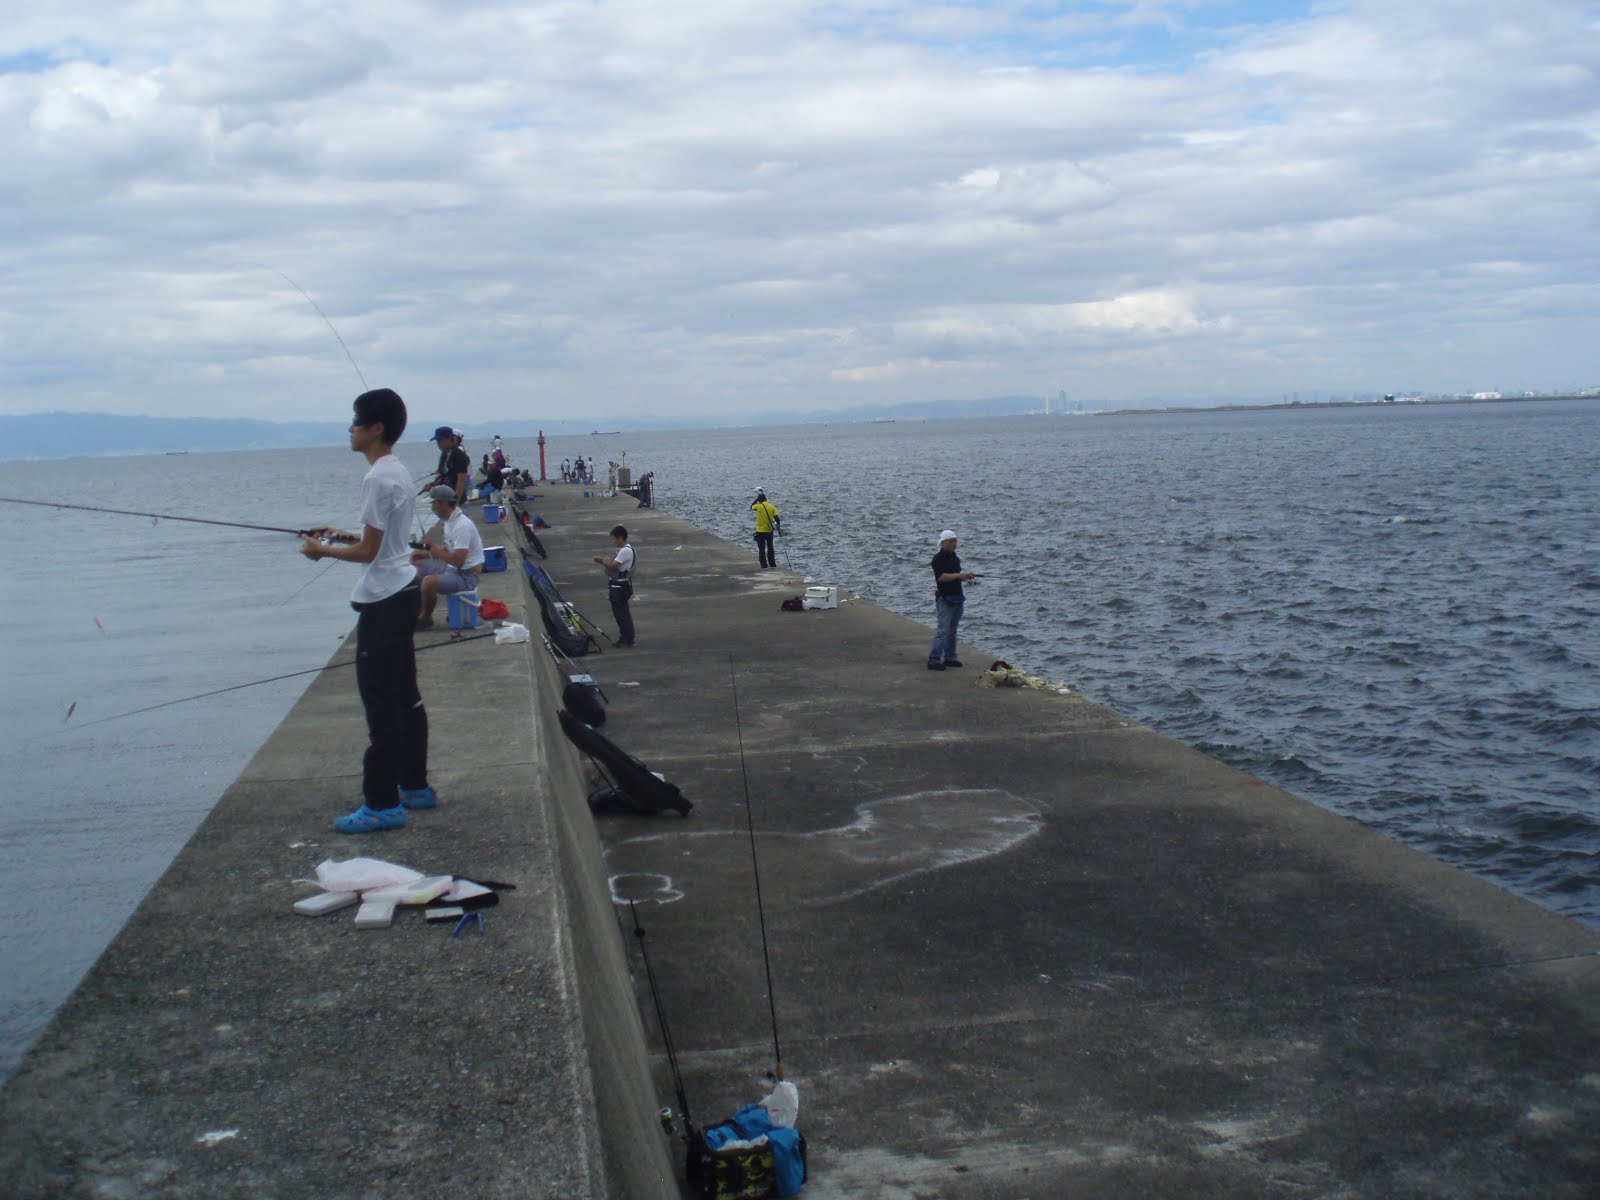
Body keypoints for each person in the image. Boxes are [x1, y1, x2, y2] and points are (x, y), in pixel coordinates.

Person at [300, 388, 436, 831]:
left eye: (356, 422)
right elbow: (386, 543)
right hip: (402, 592)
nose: (350, 429)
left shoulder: (377, 478)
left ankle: (382, 804)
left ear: (375, 428)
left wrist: (322, 551)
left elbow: (369, 553)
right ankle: (414, 786)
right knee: (406, 698)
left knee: (381, 707)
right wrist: (340, 534)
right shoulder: (396, 470)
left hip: (382, 602)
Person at [413, 485, 485, 629]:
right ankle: (419, 612)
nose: (432, 508)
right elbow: (449, 548)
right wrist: (424, 553)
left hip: (467, 576)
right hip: (453, 571)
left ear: (441, 503)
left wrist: (432, 548)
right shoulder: (449, 521)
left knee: (428, 582)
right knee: (412, 572)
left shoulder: (461, 526)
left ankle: (425, 618)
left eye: (433, 504)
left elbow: (459, 561)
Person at [927, 528, 975, 671]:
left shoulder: (955, 558)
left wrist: (965, 576)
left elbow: (955, 576)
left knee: (953, 630)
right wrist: (959, 576)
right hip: (945, 600)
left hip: (958, 598)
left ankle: (950, 658)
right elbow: (942, 577)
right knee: (942, 631)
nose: (954, 543)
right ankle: (933, 660)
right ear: (943, 542)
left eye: (955, 541)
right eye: (951, 541)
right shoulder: (938, 559)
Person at [593, 525, 636, 647]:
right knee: (623, 613)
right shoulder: (627, 550)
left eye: (615, 539)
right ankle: (627, 637)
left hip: (620, 587)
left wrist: (600, 560)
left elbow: (613, 566)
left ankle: (626, 639)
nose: (614, 542)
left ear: (621, 538)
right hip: (621, 586)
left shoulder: (625, 551)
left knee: (621, 615)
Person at [427, 426, 470, 503]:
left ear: (449, 439)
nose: (438, 444)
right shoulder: (444, 454)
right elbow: (443, 475)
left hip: (455, 500)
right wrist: (432, 485)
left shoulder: (459, 455)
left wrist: (455, 502)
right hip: (444, 499)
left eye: (440, 440)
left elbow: (461, 479)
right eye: (437, 441)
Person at [751, 488, 781, 569]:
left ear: (760, 500)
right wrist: (778, 528)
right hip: (769, 531)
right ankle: (772, 564)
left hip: (760, 531)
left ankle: (764, 565)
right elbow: (777, 519)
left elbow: (751, 507)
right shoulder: (772, 507)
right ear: (766, 499)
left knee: (761, 549)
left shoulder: (758, 506)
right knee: (770, 547)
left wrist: (756, 499)